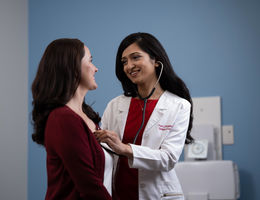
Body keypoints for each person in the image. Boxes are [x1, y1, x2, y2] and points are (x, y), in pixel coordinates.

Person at [94, 32, 193, 200]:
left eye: (135, 57)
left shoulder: (179, 106)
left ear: (155, 61)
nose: (129, 66)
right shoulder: (115, 105)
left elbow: (168, 159)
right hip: (118, 193)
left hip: (157, 194)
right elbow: (101, 150)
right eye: (124, 61)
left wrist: (125, 148)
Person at [31, 38, 113, 200]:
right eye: (90, 61)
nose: (96, 69)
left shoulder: (88, 118)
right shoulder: (63, 119)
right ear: (73, 67)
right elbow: (89, 186)